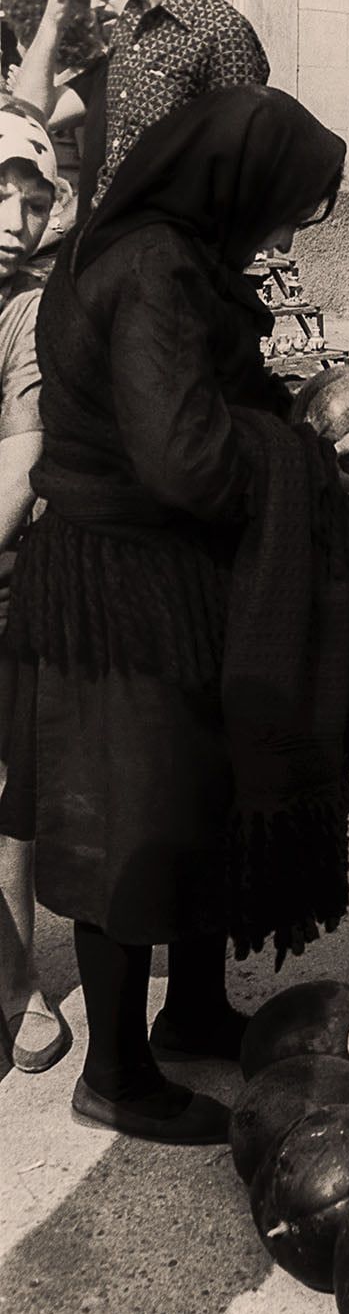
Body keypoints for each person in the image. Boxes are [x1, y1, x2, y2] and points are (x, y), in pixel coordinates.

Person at [0, 85, 349, 1143]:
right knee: (128, 826)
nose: (277, 232)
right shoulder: (159, 268)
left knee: (190, 800)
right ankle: (119, 1076)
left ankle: (196, 1010)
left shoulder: (140, 247)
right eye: (283, 205)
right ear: (237, 183)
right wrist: (297, 450)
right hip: (122, 589)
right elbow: (185, 460)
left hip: (145, 576)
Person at [15, 0, 269, 222]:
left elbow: (241, 184)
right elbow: (32, 113)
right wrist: (53, 18)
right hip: (98, 254)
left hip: (163, 266)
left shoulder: (222, 33)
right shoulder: (128, 29)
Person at [0, 104, 71, 1074]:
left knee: (9, 791)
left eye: (32, 201)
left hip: (7, 584)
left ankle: (17, 987)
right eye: (0, 195)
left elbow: (20, 463)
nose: (17, 218)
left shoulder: (31, 311)